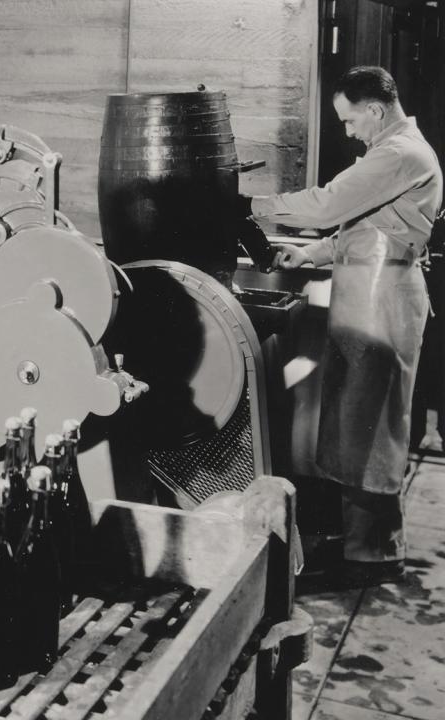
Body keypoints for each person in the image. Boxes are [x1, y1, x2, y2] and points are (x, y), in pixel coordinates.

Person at [240, 66, 443, 584]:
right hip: (368, 289)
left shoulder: (399, 154)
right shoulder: (394, 153)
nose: (348, 131)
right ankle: (359, 544)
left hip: (383, 297)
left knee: (373, 426)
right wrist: (309, 252)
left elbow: (331, 204)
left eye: (350, 120)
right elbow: (364, 229)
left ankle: (372, 557)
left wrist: (247, 205)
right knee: (357, 423)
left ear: (374, 109)